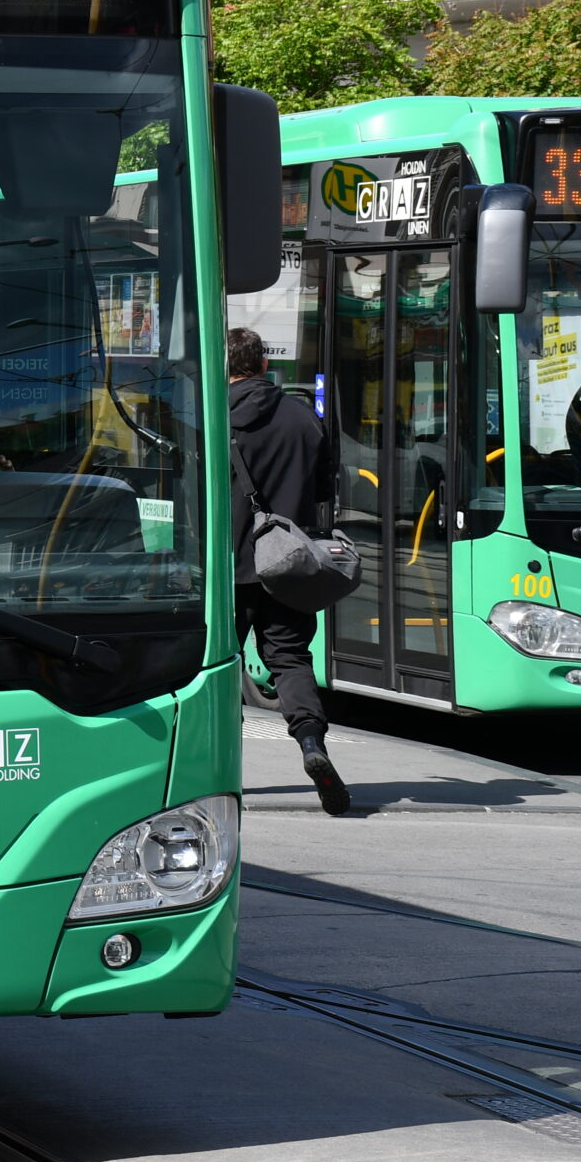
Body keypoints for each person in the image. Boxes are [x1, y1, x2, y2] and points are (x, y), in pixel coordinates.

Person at [227, 326, 350, 816]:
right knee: (291, 659)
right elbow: (323, 493)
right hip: (286, 565)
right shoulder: (304, 418)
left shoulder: (214, 419)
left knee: (216, 669)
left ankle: (216, 769)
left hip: (226, 570)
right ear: (262, 364)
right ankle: (311, 744)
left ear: (226, 368)